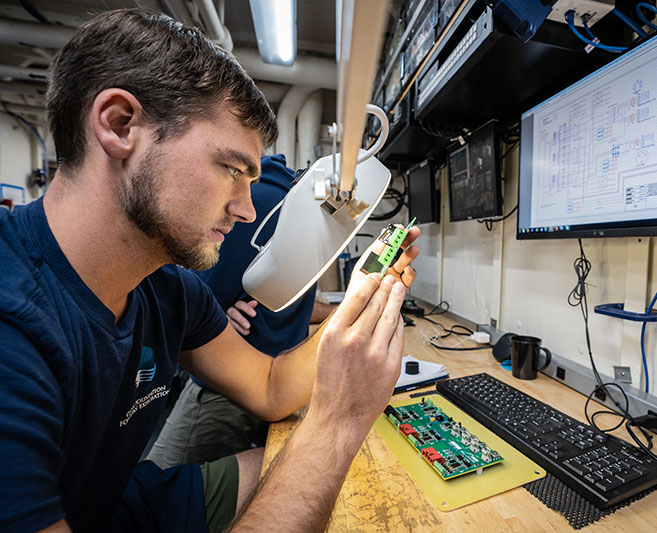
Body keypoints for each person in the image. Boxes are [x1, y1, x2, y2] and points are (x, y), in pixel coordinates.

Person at [0, 8, 419, 533]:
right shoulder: (13, 320)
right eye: (231, 169)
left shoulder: (167, 290)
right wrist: (337, 422)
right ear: (119, 125)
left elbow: (269, 387)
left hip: (119, 503)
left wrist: (364, 299)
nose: (247, 210)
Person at [146, 154, 336, 468]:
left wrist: (214, 310)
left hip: (230, 384)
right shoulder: (294, 207)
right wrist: (218, 312)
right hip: (270, 376)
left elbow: (192, 302)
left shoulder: (261, 203)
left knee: (155, 490)